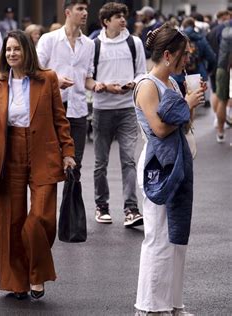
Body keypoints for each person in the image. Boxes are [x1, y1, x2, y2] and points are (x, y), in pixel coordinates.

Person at [0, 30, 75, 300]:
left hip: (43, 153)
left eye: (17, 48)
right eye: (8, 49)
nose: (12, 53)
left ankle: (37, 274)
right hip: (10, 154)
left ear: (27, 51)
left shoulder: (47, 79)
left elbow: (60, 119)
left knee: (40, 218)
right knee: (12, 221)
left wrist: (68, 151)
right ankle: (17, 282)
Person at [133, 23, 205, 315]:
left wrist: (192, 103)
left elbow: (182, 124)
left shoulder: (173, 83)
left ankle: (173, 303)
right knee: (158, 238)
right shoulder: (148, 85)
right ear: (166, 55)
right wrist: (186, 104)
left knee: (176, 238)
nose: (187, 60)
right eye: (183, 55)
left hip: (178, 164)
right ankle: (150, 306)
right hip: (158, 168)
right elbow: (160, 129)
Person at [37, 0, 104, 214]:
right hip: (52, 110)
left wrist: (98, 85)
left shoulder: (89, 44)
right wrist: (55, 80)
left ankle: (69, 216)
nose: (85, 13)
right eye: (80, 9)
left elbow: (87, 78)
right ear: (68, 12)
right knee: (47, 165)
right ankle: (44, 212)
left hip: (78, 111)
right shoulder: (49, 40)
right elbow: (34, 70)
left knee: (75, 165)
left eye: (86, 9)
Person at [91, 2, 147, 226]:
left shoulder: (134, 43)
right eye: (117, 16)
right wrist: (102, 86)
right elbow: (88, 77)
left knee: (128, 160)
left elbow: (142, 72)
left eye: (123, 16)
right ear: (106, 21)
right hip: (102, 108)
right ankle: (101, 205)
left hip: (127, 109)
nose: (123, 20)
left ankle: (131, 209)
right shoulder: (94, 45)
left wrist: (132, 84)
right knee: (100, 162)